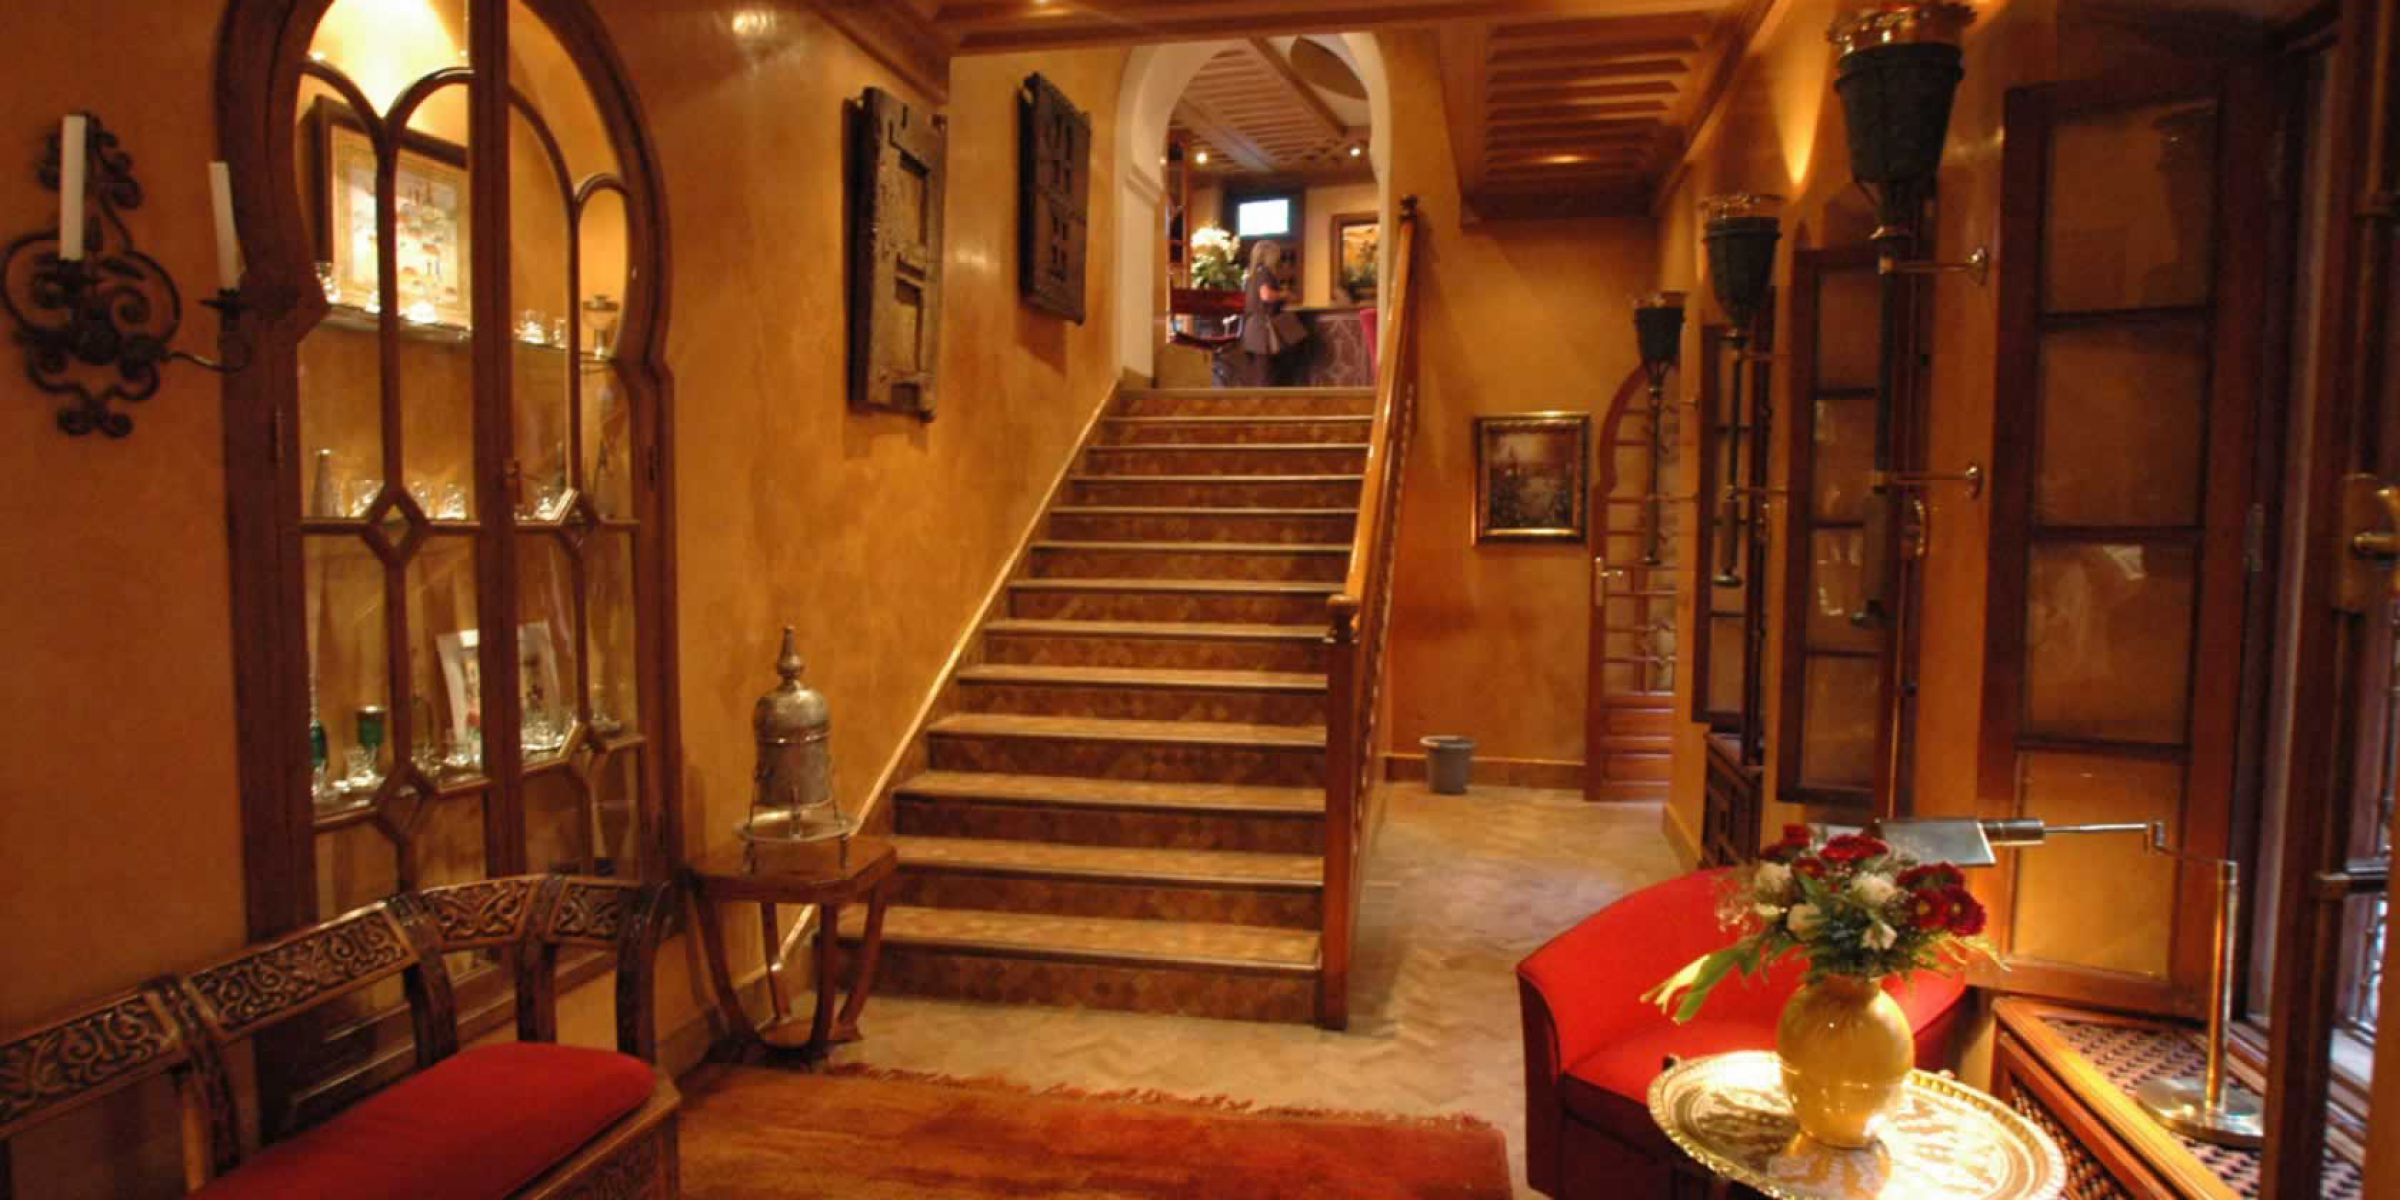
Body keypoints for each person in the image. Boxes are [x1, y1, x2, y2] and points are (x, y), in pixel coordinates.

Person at [1237, 239, 1307, 386]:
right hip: (1263, 330)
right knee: (1266, 376)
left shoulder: (1251, 276)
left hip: (1252, 329)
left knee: (1258, 375)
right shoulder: (1265, 273)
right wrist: (1284, 294)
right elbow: (1266, 295)